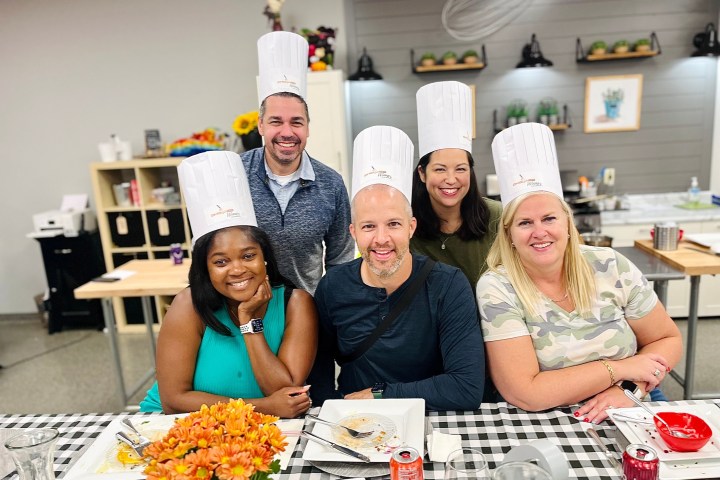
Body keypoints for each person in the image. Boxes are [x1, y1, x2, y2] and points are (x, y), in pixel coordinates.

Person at [476, 123, 683, 423]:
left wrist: (628, 389)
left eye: (549, 218)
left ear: (568, 224)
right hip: (547, 418)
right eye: (525, 223)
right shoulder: (497, 288)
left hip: (630, 403)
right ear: (508, 234)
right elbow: (526, 393)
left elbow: (667, 338)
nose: (539, 232)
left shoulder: (611, 265)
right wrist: (619, 368)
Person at [309, 126, 486, 411]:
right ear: (353, 232)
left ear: (411, 227)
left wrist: (378, 394)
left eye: (393, 224)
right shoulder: (333, 287)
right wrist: (333, 414)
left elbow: (466, 387)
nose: (381, 239)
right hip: (356, 424)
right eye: (369, 226)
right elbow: (318, 376)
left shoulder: (449, 286)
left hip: (434, 421)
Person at [139, 151, 317, 417]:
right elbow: (173, 401)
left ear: (265, 258)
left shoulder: (296, 304)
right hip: (182, 424)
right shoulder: (189, 305)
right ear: (205, 268)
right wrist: (263, 407)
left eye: (248, 256)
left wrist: (250, 324)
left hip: (260, 431)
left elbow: (287, 392)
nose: (237, 270)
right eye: (221, 262)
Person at [241, 31, 354, 295]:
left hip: (307, 312)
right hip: (242, 312)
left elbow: (341, 260)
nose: (287, 132)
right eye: (276, 121)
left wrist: (329, 311)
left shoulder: (331, 183)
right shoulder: (235, 174)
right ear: (260, 125)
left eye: (296, 122)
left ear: (308, 127)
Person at [411, 81, 502, 287]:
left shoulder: (497, 216)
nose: (451, 180)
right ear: (422, 173)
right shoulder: (407, 224)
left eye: (460, 169)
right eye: (440, 169)